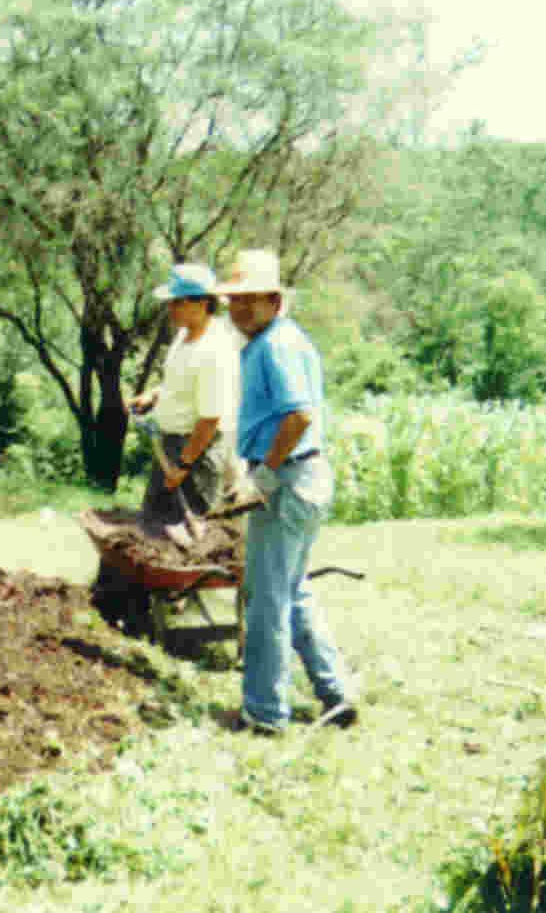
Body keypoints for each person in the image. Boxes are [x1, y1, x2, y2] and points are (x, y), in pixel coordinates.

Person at [218, 249, 356, 734]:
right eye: (233, 302)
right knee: (293, 592)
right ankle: (337, 693)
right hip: (306, 476)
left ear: (274, 300)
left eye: (248, 301)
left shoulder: (275, 345)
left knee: (266, 602)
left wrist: (263, 475)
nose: (238, 310)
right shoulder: (280, 340)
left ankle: (264, 713)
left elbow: (298, 416)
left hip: (289, 478)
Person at [91, 263, 244, 633]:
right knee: (151, 525)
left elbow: (209, 418)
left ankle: (176, 608)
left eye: (177, 302)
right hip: (173, 442)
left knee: (187, 534)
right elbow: (177, 382)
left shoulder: (214, 350)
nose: (170, 309)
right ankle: (123, 604)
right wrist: (155, 396)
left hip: (198, 448)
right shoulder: (185, 336)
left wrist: (185, 463)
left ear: (200, 303)